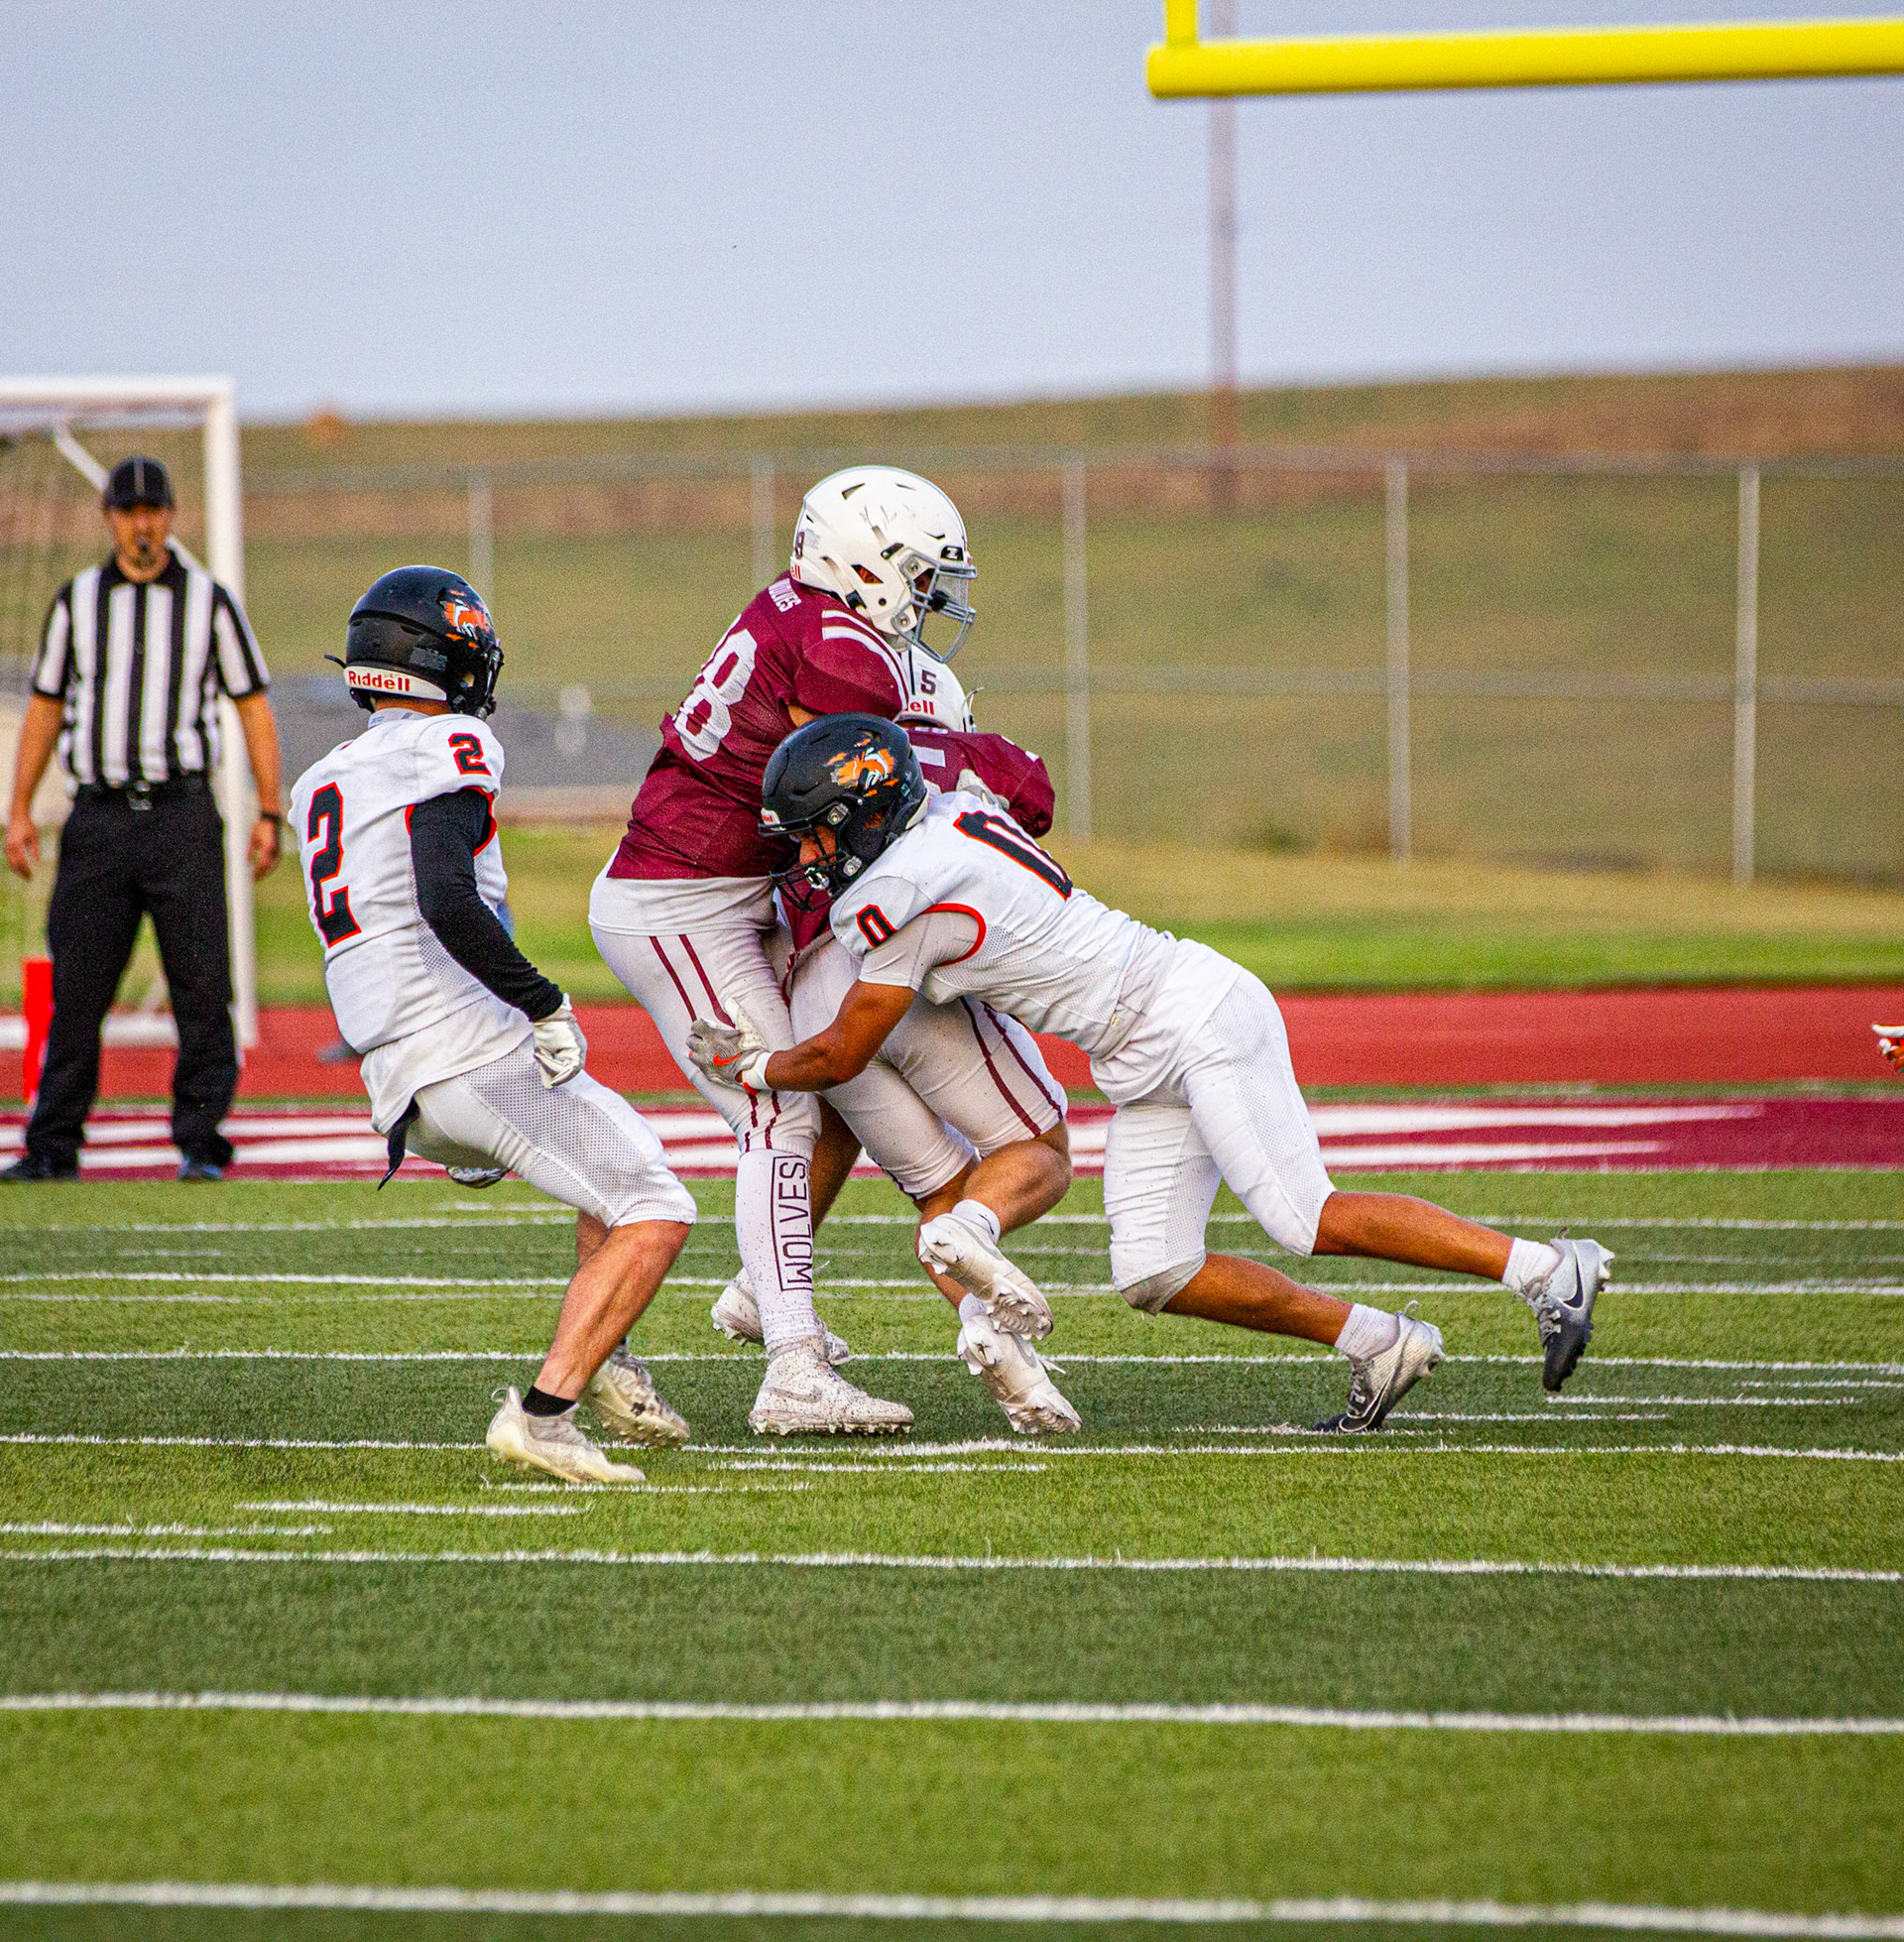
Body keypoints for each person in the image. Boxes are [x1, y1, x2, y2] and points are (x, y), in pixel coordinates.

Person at [691, 717, 1615, 1434]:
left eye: (813, 837)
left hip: (1193, 1015)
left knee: (1306, 1217)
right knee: (1155, 1271)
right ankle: (1378, 1342)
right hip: (1141, 1050)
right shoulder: (947, 818)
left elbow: (843, 1052)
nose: (804, 859)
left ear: (862, 817)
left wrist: (754, 1063)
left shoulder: (902, 888)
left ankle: (1546, 1269)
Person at [587, 465, 978, 1437]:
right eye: (919, 575)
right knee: (777, 1109)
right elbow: (843, 796)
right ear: (865, 561)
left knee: (815, 1091)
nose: (929, 598)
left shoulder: (801, 612)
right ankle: (792, 1366)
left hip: (723, 890)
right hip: (682, 898)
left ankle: (764, 1300)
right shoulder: (846, 652)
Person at [289, 566, 695, 1484]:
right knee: (659, 1206)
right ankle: (547, 1415)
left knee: (623, 1161)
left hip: (399, 1076)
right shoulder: (451, 741)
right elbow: (445, 895)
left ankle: (607, 1358)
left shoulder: (324, 778)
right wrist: (541, 1000)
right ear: (438, 661)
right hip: (464, 1046)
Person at [713, 655, 1081, 1433]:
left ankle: (764, 1285)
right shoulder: (950, 765)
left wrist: (757, 1062)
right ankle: (985, 1330)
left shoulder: (811, 765)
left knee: (938, 1188)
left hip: (806, 990)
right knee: (1037, 1151)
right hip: (890, 977)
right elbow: (1035, 801)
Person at [3, 455, 284, 1183]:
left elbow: (252, 705)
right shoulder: (77, 602)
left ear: (170, 515)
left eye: (152, 510)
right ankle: (53, 1142)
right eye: (128, 512)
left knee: (201, 984)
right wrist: (19, 808)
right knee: (78, 987)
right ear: (109, 518)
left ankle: (201, 1139)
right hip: (97, 819)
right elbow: (45, 707)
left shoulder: (208, 603)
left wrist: (268, 808)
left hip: (180, 815)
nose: (141, 525)